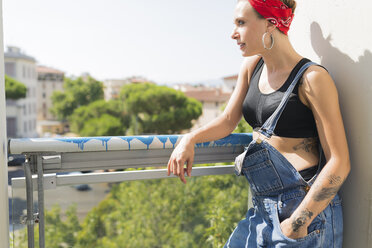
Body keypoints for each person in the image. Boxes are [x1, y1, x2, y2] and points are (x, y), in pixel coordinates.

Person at [167, 0, 350, 247]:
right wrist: (189, 139)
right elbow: (228, 120)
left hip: (304, 211)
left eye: (241, 23)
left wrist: (297, 223)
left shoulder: (313, 79)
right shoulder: (252, 66)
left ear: (270, 23)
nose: (233, 33)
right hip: (262, 207)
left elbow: (339, 162)